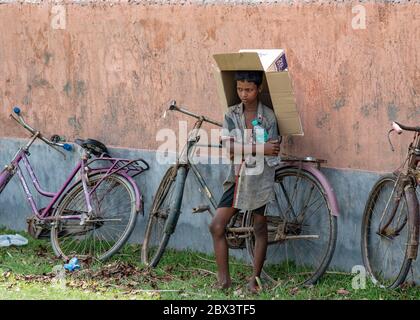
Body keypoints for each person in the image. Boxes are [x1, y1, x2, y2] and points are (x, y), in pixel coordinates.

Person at [209, 70, 280, 293]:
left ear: (258, 89)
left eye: (248, 89)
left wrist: (250, 149)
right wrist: (261, 148)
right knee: (217, 225)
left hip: (260, 178)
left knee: (259, 227)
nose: (243, 94)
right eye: (239, 89)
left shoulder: (268, 117)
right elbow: (229, 148)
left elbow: (274, 151)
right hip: (237, 178)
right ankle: (224, 281)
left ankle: (255, 280)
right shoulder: (231, 114)